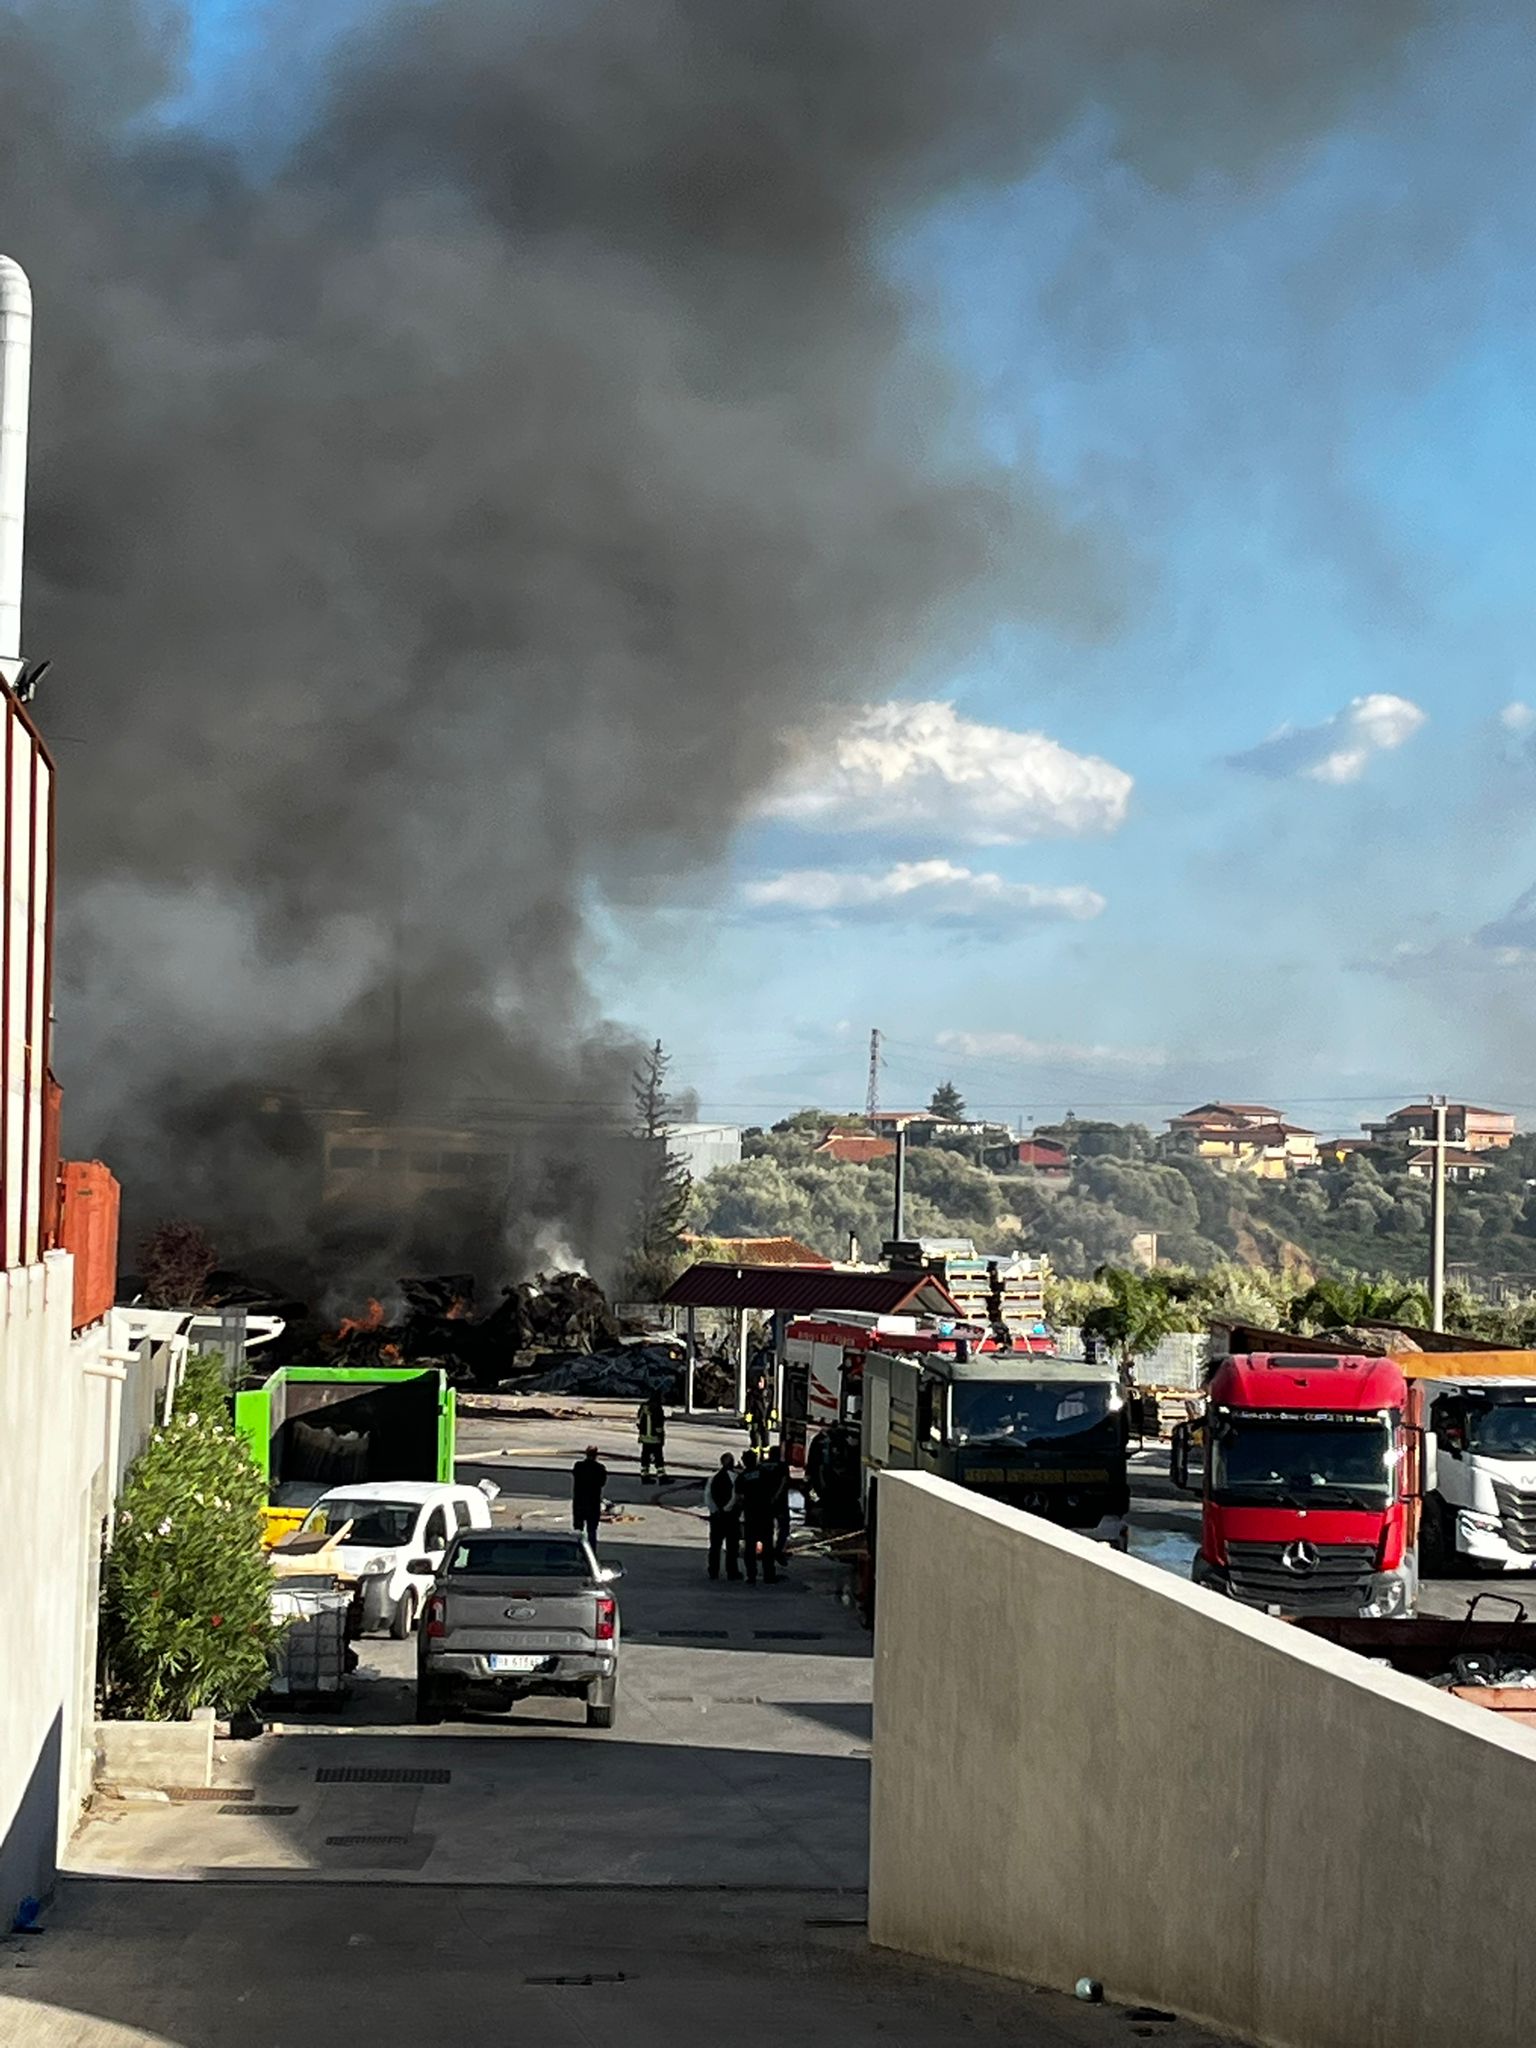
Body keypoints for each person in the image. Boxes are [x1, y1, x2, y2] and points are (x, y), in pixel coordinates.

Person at [736, 1449, 777, 1584]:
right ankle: (769, 1575)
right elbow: (773, 1490)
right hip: (765, 1513)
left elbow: (740, 1498)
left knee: (750, 1547)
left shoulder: (742, 1477)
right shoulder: (765, 1473)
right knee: (768, 1546)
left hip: (751, 1514)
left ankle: (751, 1575)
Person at [706, 1452, 741, 1581]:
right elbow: (735, 1496)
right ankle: (732, 1571)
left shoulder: (713, 1478)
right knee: (732, 1546)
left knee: (715, 1545)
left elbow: (708, 1496)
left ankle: (713, 1570)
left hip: (716, 1517)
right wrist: (727, 1509)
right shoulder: (735, 1478)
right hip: (730, 1517)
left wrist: (715, 1510)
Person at [571, 1444, 607, 1549]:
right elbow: (602, 1482)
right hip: (593, 1503)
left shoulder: (578, 1466)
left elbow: (575, 1475)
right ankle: (591, 1552)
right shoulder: (600, 1468)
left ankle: (577, 1550)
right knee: (592, 1530)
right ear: (596, 1455)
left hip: (579, 1502)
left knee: (578, 1530)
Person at [765, 1442, 792, 1566]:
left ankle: (769, 1551)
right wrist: (776, 1496)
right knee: (784, 1528)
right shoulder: (782, 1466)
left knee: (767, 1529)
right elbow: (784, 1482)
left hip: (766, 1502)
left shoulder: (763, 1466)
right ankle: (778, 1550)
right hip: (780, 1502)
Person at [636, 1390, 668, 1482]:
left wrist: (643, 1432)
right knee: (658, 1457)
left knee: (645, 1457)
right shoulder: (657, 1408)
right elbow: (659, 1425)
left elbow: (638, 1422)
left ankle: (644, 1476)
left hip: (645, 1438)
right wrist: (661, 1437)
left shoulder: (643, 1407)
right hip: (655, 1439)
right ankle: (661, 1476)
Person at [745, 1371, 773, 1454]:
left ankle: (765, 1455)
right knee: (755, 1439)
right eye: (758, 1381)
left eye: (761, 1381)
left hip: (765, 1421)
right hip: (755, 1420)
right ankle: (754, 1456)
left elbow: (772, 1407)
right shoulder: (752, 1394)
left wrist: (771, 1419)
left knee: (765, 1440)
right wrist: (748, 1421)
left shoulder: (768, 1393)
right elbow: (749, 1409)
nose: (759, 1383)